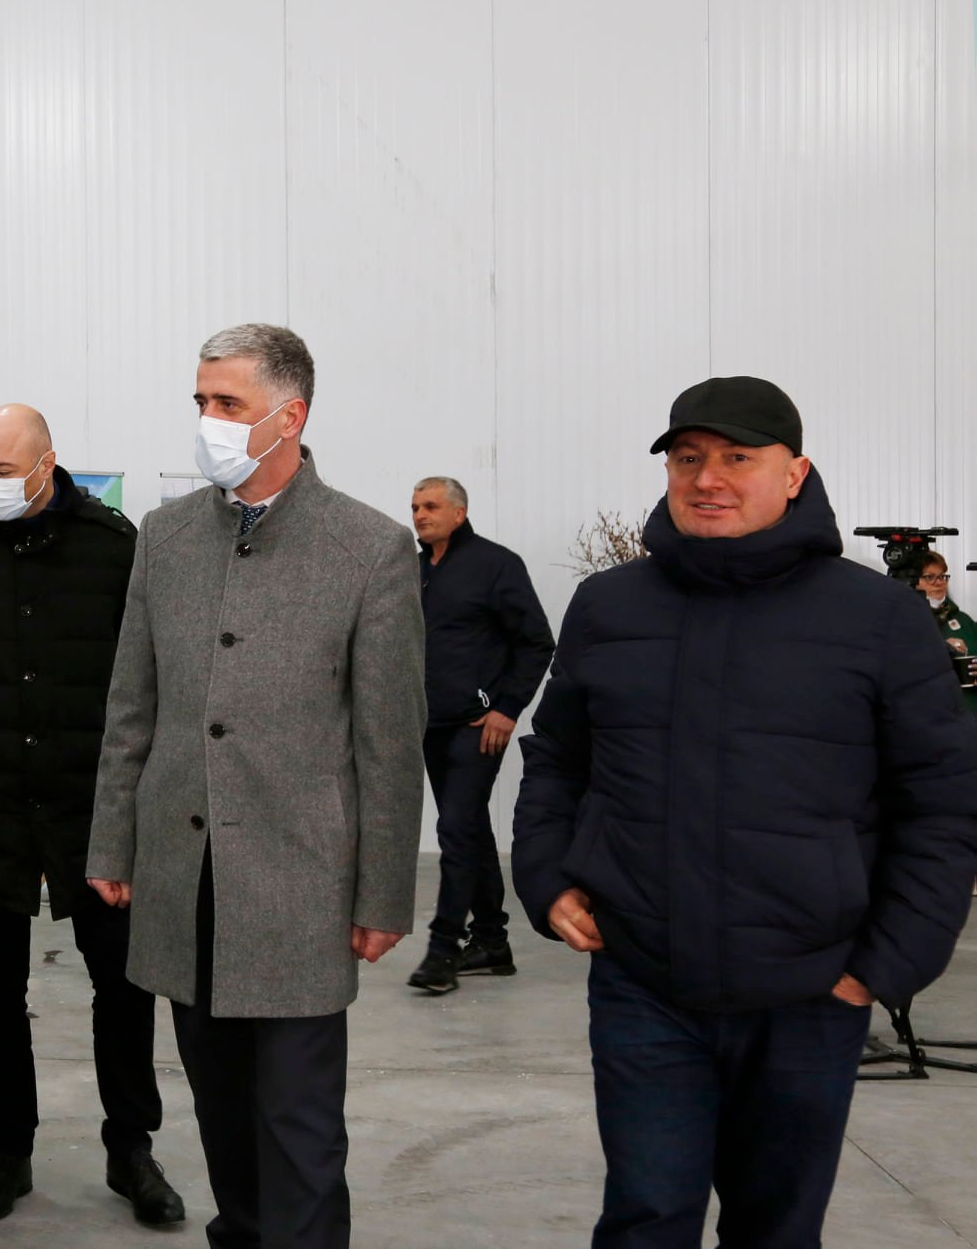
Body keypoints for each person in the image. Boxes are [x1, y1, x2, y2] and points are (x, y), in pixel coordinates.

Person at [513, 376, 977, 1248]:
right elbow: (558, 760)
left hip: (811, 989)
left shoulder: (878, 617)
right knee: (647, 1216)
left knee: (777, 1229)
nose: (708, 479)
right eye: (687, 459)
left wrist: (884, 965)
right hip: (644, 981)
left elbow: (942, 804)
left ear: (794, 473)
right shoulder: (610, 606)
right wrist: (545, 878)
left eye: (737, 457)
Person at [86, 324, 425, 1249]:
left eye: (228, 403)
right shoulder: (164, 539)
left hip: (300, 889)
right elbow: (131, 706)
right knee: (223, 1110)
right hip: (182, 877)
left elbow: (389, 743)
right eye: (201, 401)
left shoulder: (369, 547)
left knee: (300, 1125)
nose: (208, 419)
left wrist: (383, 893)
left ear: (290, 416)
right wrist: (113, 842)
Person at [0, 403, 184, 1227]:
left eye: (3, 470)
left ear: (47, 464)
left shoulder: (114, 547)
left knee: (122, 982)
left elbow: (148, 669)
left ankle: (131, 1149)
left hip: (94, 804)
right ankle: (10, 1150)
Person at [406, 476, 554, 996]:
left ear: (459, 512)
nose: (420, 515)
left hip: (478, 725)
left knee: (455, 829)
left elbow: (537, 642)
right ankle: (492, 942)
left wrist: (507, 709)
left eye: (431, 506)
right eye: (415, 507)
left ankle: (443, 949)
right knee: (466, 828)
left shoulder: (496, 565)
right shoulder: (414, 569)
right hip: (430, 724)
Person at [916, 551, 977, 717]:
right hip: (930, 714)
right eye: (929, 577)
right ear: (915, 581)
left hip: (969, 713)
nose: (939, 582)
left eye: (942, 576)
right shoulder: (906, 620)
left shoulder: (963, 620)